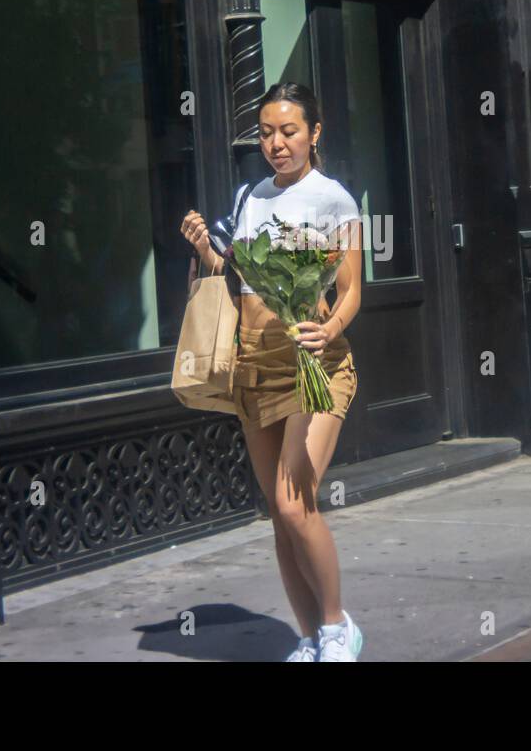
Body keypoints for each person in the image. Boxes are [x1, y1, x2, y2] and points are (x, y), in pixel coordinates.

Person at [180, 82, 365, 662]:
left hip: (314, 365)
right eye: (265, 133)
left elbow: (353, 292)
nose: (276, 143)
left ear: (315, 133)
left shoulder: (333, 199)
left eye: (289, 131)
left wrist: (329, 329)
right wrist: (205, 250)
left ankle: (339, 627)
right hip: (253, 366)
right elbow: (238, 281)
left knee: (293, 502)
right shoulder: (251, 197)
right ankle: (309, 638)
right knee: (278, 516)